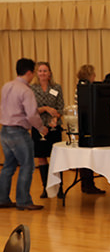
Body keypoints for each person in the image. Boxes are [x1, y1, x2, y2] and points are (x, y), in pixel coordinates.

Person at [0, 58, 48, 211]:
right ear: (29, 72)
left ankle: (2, 199)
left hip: (5, 130)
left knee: (8, 166)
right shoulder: (26, 91)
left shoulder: (6, 86)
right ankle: (24, 201)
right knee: (27, 165)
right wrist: (41, 128)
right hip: (19, 132)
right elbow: (31, 114)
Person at [29, 61, 64, 199]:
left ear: (50, 73)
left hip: (54, 126)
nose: (43, 73)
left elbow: (60, 107)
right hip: (38, 127)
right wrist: (45, 109)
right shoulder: (32, 89)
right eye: (40, 71)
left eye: (45, 71)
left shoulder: (56, 87)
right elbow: (30, 110)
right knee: (42, 157)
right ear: (36, 73)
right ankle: (45, 188)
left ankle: (60, 188)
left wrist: (56, 117)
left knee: (57, 157)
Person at [75, 64, 106, 194]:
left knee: (85, 155)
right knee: (87, 155)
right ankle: (88, 184)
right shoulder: (89, 89)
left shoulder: (79, 87)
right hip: (89, 126)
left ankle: (87, 183)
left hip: (82, 125)